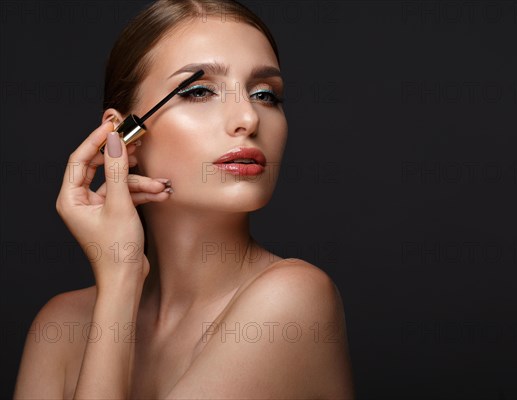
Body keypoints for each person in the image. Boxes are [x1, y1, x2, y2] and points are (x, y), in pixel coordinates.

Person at [13, 0, 354, 398]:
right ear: (124, 137)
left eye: (265, 94)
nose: (248, 117)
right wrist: (119, 281)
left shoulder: (293, 300)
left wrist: (120, 283)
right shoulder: (60, 326)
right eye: (199, 90)